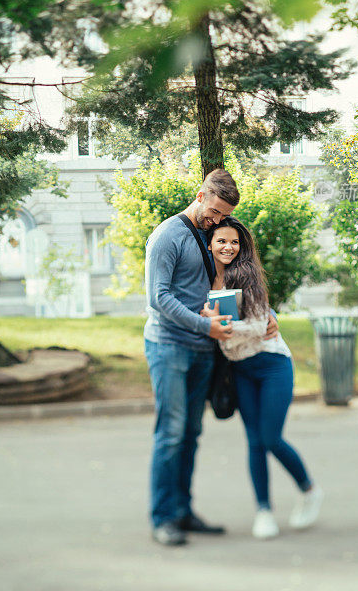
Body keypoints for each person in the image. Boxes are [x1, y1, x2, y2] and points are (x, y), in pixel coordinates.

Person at [144, 169, 278, 546]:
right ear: (201, 195)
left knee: (190, 434)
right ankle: (163, 517)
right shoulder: (168, 235)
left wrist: (269, 316)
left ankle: (183, 512)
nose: (218, 220)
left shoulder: (214, 236)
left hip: (204, 351)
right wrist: (206, 328)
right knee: (170, 433)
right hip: (168, 345)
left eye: (223, 216)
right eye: (215, 211)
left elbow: (241, 282)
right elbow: (159, 298)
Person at [202, 216, 323, 539]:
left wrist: (221, 330)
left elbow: (258, 327)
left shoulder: (247, 275)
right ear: (209, 244)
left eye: (235, 241)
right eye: (221, 240)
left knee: (270, 437)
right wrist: (224, 334)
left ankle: (309, 490)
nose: (228, 247)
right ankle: (264, 511)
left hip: (272, 365)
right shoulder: (202, 281)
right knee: (254, 442)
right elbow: (231, 343)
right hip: (240, 371)